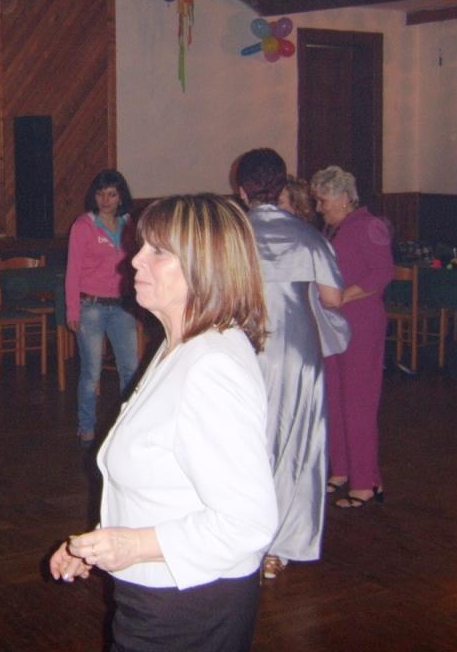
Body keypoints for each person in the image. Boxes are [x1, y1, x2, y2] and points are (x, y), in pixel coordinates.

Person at [51, 194, 278, 652]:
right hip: (163, 595)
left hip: (190, 607)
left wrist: (133, 545)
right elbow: (160, 476)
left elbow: (249, 522)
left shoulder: (211, 366)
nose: (134, 260)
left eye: (157, 251)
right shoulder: (181, 346)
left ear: (204, 268)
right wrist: (101, 543)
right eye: (141, 247)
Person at [236, 149, 346, 580]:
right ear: (282, 187)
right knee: (296, 441)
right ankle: (278, 547)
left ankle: (240, 536)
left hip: (242, 346)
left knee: (244, 441)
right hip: (297, 352)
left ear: (242, 190)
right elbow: (333, 298)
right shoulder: (306, 235)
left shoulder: (232, 233)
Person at [311, 166, 394, 508]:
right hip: (333, 323)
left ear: (344, 198)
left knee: (358, 401)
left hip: (361, 323)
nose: (319, 208)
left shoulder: (369, 225)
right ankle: (342, 469)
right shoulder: (335, 228)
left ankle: (365, 482)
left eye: (324, 201)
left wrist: (345, 295)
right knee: (334, 396)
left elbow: (382, 272)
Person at [64, 169, 140, 447]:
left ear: (121, 197)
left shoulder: (129, 224)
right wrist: (73, 310)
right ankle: (86, 427)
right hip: (91, 307)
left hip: (122, 306)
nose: (106, 200)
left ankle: (128, 426)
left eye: (112, 194)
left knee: (130, 369)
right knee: (91, 372)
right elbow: (73, 271)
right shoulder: (83, 226)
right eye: (100, 194)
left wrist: (138, 304)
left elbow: (135, 267)